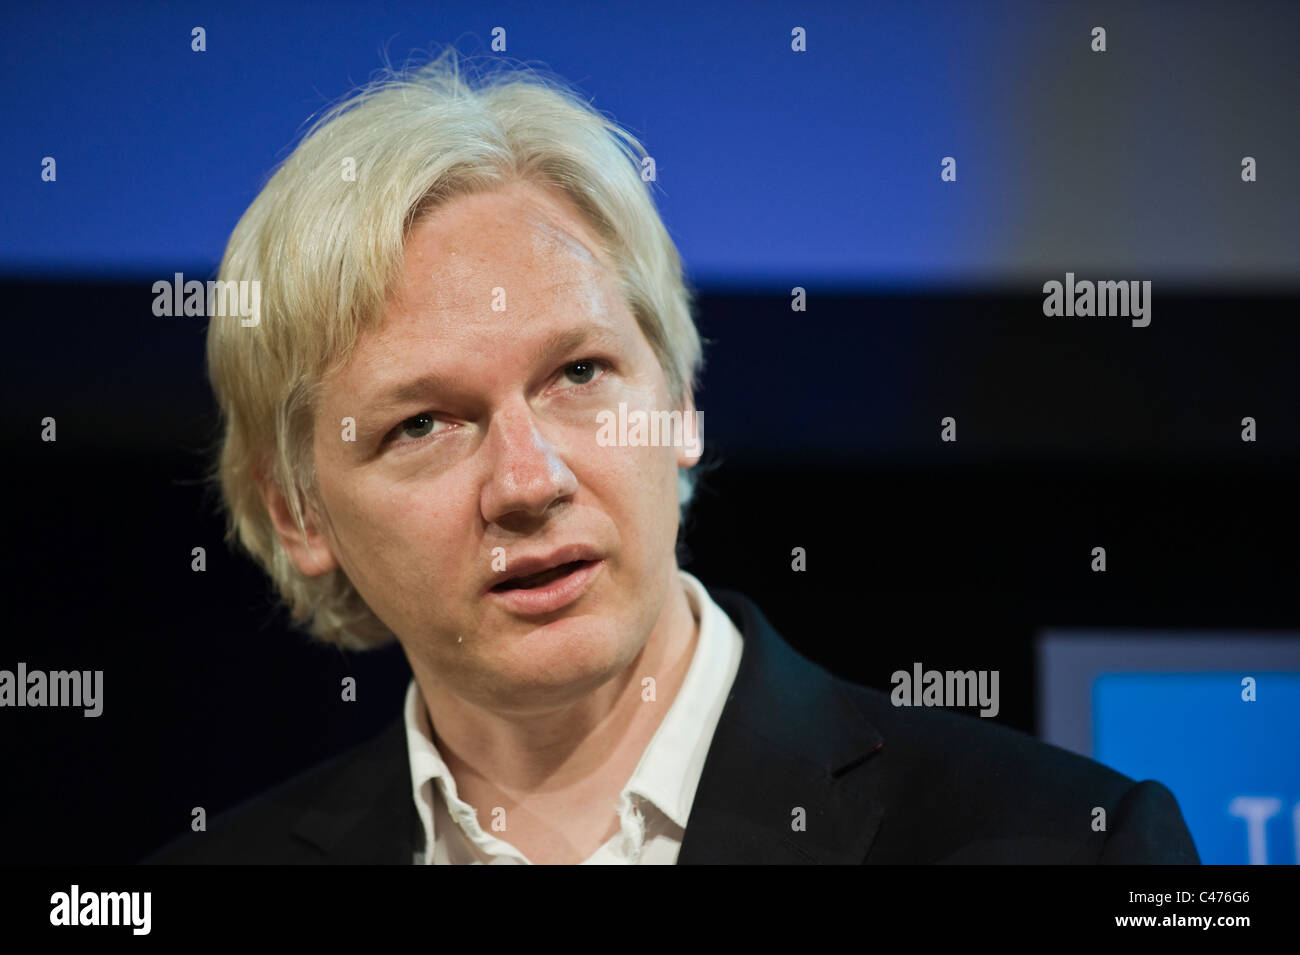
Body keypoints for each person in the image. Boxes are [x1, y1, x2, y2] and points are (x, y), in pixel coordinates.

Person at [144, 48, 1199, 865]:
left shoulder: (1064, 845)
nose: (529, 481)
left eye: (579, 374)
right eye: (421, 424)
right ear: (299, 515)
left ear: (682, 403)